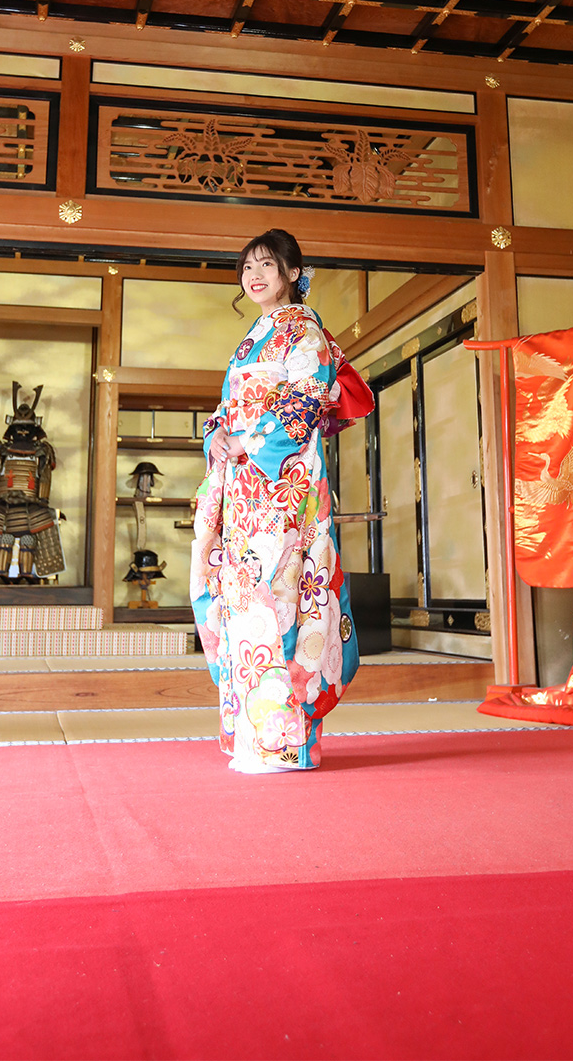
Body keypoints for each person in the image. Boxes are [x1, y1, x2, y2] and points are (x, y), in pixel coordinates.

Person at [190, 228, 373, 772]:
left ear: (293, 273)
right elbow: (229, 406)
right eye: (247, 267)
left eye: (266, 265)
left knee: (281, 593)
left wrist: (250, 441)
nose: (254, 275)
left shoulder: (303, 328)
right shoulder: (255, 334)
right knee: (243, 599)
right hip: (245, 487)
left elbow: (307, 396)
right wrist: (216, 434)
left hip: (281, 486)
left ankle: (289, 741)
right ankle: (254, 736)